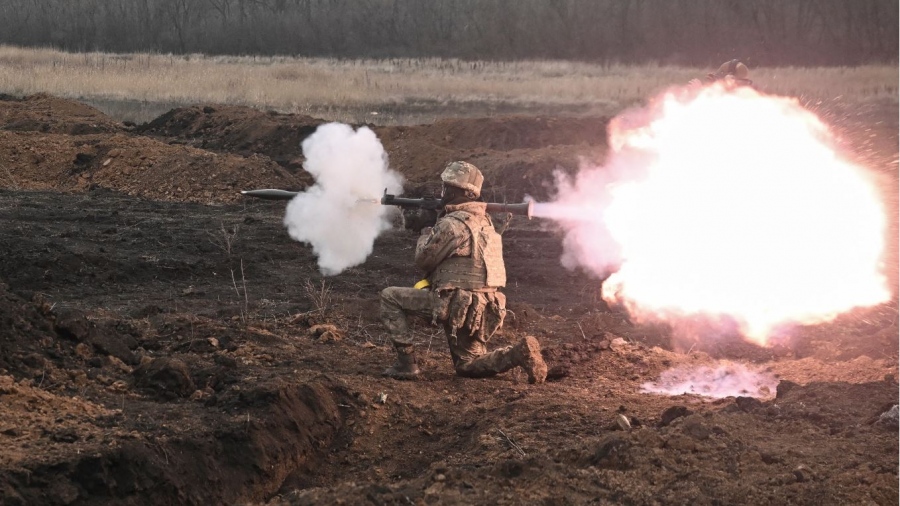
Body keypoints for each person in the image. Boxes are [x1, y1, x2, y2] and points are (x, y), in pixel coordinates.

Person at [379, 161, 548, 384]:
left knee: (390, 297)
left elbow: (423, 260)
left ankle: (406, 364)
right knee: (467, 365)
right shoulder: (486, 222)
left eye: (447, 188)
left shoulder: (452, 224)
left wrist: (426, 228)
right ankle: (517, 354)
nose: (443, 192)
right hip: (481, 307)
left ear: (459, 192)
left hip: (454, 303)